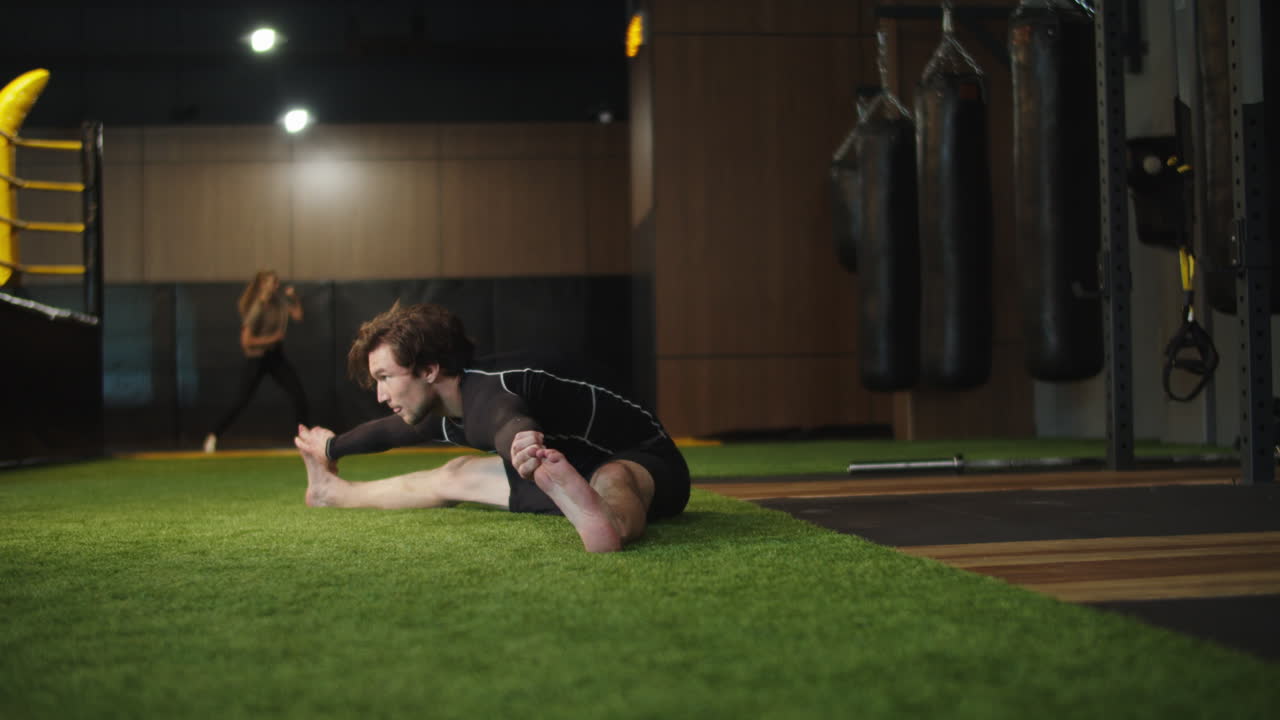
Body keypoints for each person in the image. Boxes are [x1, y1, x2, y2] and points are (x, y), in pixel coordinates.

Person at [292, 302, 690, 553]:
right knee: (455, 473)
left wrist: (522, 442)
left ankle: (611, 525)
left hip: (647, 460)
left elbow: (507, 416)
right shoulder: (444, 404)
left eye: (384, 377)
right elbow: (385, 433)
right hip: (565, 465)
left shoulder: (489, 389)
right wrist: (329, 449)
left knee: (613, 476)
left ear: (429, 370)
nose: (380, 395)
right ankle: (333, 493)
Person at [204, 270, 310, 452]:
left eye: (277, 282)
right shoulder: (256, 308)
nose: (276, 285)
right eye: (272, 282)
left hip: (276, 357)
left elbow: (298, 315)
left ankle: (305, 441)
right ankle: (213, 436)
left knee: (298, 394)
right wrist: (272, 338)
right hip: (257, 359)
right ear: (263, 285)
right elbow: (246, 341)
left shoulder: (278, 303)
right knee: (240, 400)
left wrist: (294, 298)